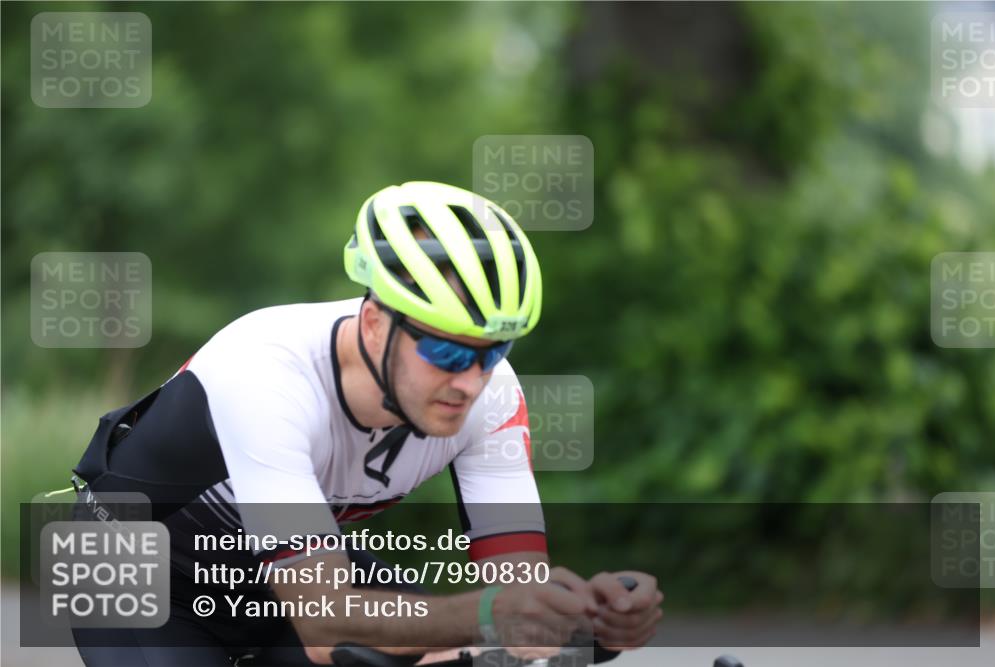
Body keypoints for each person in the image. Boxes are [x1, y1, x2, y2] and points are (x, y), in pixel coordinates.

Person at [70, 181, 663, 666]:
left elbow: (515, 597)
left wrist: (591, 617)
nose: (471, 380)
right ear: (376, 323)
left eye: (493, 353)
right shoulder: (265, 369)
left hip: (280, 577)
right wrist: (487, 617)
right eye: (449, 353)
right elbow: (326, 618)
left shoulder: (492, 396)